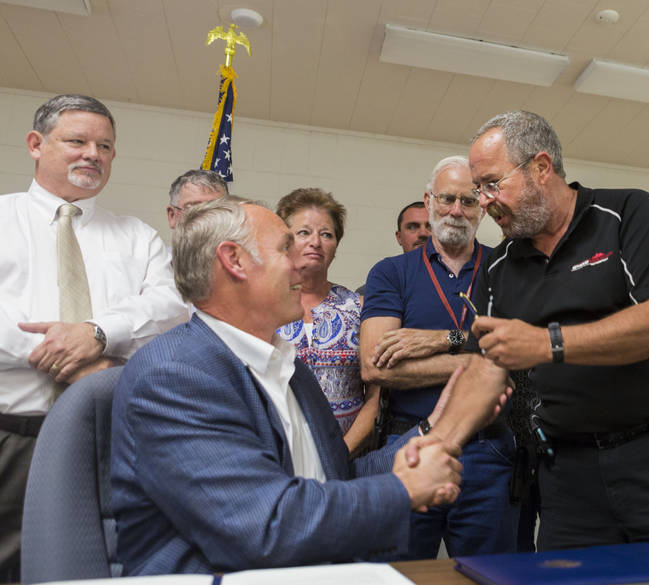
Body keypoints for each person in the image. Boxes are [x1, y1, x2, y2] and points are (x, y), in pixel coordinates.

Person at [111, 196, 512, 575]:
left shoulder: (287, 366)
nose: (299, 263)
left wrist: (433, 429)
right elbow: (266, 528)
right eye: (285, 249)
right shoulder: (176, 374)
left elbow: (335, 476)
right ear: (234, 261)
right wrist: (403, 489)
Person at [467, 110, 649, 550]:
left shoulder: (627, 213)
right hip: (570, 477)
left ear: (541, 167)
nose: (484, 201)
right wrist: (433, 442)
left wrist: (548, 343)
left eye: (492, 183)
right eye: (479, 189)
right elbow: (483, 370)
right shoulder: (498, 266)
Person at [0, 94, 187, 582]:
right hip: (11, 438)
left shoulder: (137, 237)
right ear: (36, 144)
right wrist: (67, 355)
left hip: (111, 443)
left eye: (104, 146)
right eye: (77, 141)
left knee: (98, 570)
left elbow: (171, 310)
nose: (93, 154)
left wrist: (99, 335)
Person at [360, 156, 516, 559]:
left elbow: (519, 356)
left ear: (482, 207)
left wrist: (441, 339)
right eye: (447, 198)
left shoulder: (508, 268)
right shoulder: (391, 272)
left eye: (468, 201)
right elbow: (375, 366)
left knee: (491, 573)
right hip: (411, 443)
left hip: (487, 449)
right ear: (429, 201)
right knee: (402, 572)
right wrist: (480, 362)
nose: (456, 210)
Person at [275, 188, 376, 456]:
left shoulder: (358, 308)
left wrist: (341, 455)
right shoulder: (263, 307)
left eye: (326, 234)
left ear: (336, 247)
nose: (316, 242)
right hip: (277, 458)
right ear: (284, 241)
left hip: (349, 458)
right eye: (304, 232)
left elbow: (376, 396)